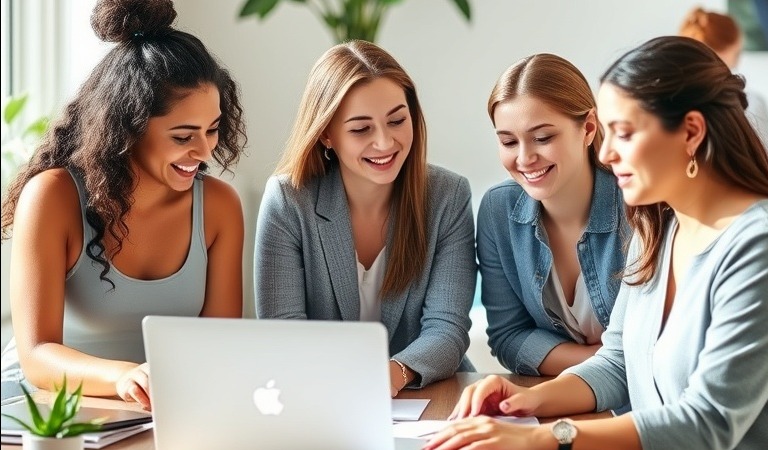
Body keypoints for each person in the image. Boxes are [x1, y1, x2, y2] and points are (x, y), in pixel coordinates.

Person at [425, 36, 768, 450]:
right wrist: (526, 400)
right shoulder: (660, 228)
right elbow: (619, 361)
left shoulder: (767, 241)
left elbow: (707, 423)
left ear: (691, 131)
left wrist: (543, 438)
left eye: (623, 133)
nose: (605, 152)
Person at [0, 0, 247, 410]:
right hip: (44, 408)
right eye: (183, 136)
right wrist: (124, 377)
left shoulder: (219, 207)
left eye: (213, 129)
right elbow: (37, 354)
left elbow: (218, 347)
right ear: (127, 128)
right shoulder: (53, 197)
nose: (205, 152)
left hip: (150, 408)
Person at [254, 40, 476, 397]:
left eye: (397, 121)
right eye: (361, 129)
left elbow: (447, 330)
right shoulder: (288, 201)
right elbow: (284, 332)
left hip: (428, 394)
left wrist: (393, 374)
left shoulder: (448, 196)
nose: (385, 143)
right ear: (326, 134)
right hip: (322, 393)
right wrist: (350, 384)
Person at [477, 54, 628, 377]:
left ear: (588, 128)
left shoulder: (637, 205)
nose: (524, 158)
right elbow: (508, 337)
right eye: (508, 141)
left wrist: (600, 361)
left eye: (543, 138)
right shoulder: (498, 210)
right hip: (562, 397)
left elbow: (658, 342)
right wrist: (603, 359)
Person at [678, 6, 768, 174]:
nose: (736, 65)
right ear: (718, 53)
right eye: (736, 54)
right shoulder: (750, 104)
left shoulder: (669, 106)